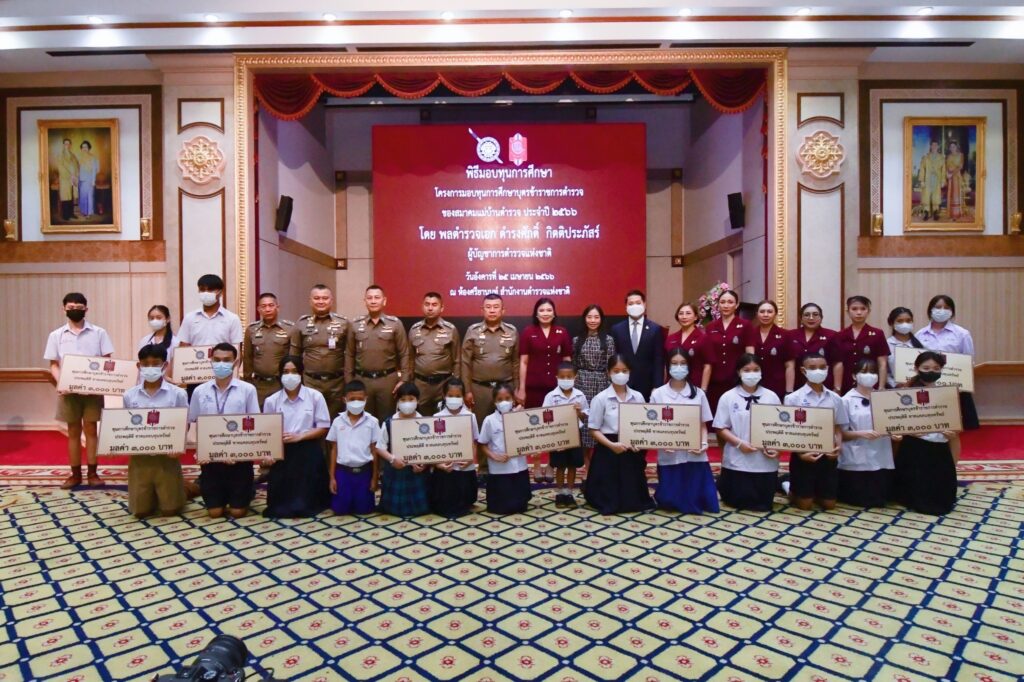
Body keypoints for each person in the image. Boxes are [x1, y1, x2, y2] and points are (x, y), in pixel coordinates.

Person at [44, 292, 114, 489]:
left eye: (79, 308)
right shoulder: (56, 335)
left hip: (93, 391)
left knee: (91, 429)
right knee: (73, 430)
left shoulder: (99, 333)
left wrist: (100, 381)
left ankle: (93, 473)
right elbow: (53, 364)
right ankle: (75, 474)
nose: (75, 311)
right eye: (71, 308)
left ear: (86, 309)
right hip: (68, 392)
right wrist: (61, 383)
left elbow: (107, 360)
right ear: (64, 309)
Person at [187, 343, 260, 519]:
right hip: (210, 458)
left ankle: (247, 491)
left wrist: (240, 452)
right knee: (215, 513)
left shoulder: (247, 390)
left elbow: (254, 424)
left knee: (238, 512)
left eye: (226, 360)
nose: (221, 364)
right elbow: (193, 424)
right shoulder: (199, 391)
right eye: (217, 360)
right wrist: (199, 449)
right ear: (211, 361)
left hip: (239, 458)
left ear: (235, 363)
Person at [122, 344, 189, 518]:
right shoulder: (129, 395)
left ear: (165, 365)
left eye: (156, 363)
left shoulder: (178, 394)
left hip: (167, 456)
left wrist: (179, 446)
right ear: (139, 366)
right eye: (145, 364)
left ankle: (187, 489)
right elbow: (124, 426)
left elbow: (184, 424)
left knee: (170, 511)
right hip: (140, 457)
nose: (150, 368)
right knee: (140, 512)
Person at [891, 352, 961, 515]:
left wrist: (952, 432)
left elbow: (956, 425)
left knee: (943, 497)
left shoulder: (948, 393)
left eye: (936, 368)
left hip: (940, 446)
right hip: (915, 445)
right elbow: (896, 422)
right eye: (926, 368)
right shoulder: (904, 392)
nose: (931, 371)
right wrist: (910, 431)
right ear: (917, 369)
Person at [261, 355, 331, 518]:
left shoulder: (315, 396)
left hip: (307, 448)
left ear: (301, 373)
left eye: (294, 371)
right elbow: (267, 432)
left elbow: (323, 427)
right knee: (278, 507)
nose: (290, 376)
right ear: (280, 375)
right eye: (286, 372)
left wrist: (300, 436)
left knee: (304, 506)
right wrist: (269, 453)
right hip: (282, 451)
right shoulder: (272, 401)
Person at [585, 355, 654, 515]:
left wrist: (639, 442)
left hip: (631, 448)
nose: (620, 374)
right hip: (608, 448)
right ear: (608, 373)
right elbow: (593, 429)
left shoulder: (638, 397)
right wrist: (611, 445)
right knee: (608, 498)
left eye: (624, 370)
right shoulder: (600, 399)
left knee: (634, 498)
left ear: (630, 372)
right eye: (616, 371)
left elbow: (643, 425)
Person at [712, 353, 782, 512]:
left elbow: (780, 428)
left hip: (764, 459)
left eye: (756, 370)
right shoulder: (728, 397)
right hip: (738, 457)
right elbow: (720, 427)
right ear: (738, 372)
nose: (752, 374)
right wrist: (739, 444)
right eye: (747, 370)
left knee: (763, 503)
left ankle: (783, 483)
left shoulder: (771, 397)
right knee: (735, 501)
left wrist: (776, 448)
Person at [650, 349, 716, 514]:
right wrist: (662, 443)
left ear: (689, 366)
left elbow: (703, 424)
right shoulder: (658, 394)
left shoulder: (699, 393)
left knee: (696, 499)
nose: (678, 367)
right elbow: (652, 426)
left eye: (683, 363)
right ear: (668, 366)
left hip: (694, 453)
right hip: (669, 452)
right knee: (669, 500)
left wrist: (703, 443)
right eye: (674, 364)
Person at [462, 293, 520, 469]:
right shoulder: (473, 331)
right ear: (482, 310)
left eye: (496, 307)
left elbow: (516, 362)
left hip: (506, 389)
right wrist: (467, 390)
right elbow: (465, 362)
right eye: (488, 307)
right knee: (482, 429)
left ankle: (509, 465)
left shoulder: (512, 331)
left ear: (503, 310)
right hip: (480, 388)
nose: (492, 310)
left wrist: (517, 389)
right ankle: (484, 468)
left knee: (507, 428)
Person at [784, 353, 848, 511]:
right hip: (803, 455)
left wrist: (838, 447)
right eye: (812, 368)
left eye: (822, 367)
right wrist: (800, 454)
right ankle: (786, 485)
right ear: (803, 370)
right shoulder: (793, 398)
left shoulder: (835, 398)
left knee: (829, 505)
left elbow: (838, 427)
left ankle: (816, 491)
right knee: (805, 505)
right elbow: (788, 431)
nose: (818, 371)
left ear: (827, 369)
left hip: (828, 455)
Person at [518, 297, 572, 483]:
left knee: (553, 427)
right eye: (541, 310)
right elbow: (523, 362)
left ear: (554, 313)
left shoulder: (562, 332)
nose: (545, 313)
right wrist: (521, 388)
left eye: (549, 310)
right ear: (536, 313)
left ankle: (550, 464)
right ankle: (536, 464)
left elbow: (567, 360)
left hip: (556, 387)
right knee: (535, 426)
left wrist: (568, 385)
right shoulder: (528, 332)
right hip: (533, 386)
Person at [346, 284, 410, 420]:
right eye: (369, 298)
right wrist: (349, 381)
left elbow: (404, 353)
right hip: (362, 380)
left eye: (377, 297)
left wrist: (404, 379)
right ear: (365, 301)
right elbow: (350, 354)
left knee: (386, 420)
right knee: (362, 420)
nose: (373, 301)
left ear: (384, 301)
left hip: (387, 381)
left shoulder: (395, 324)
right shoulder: (355, 324)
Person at [915, 294, 979, 430]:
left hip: (954, 386)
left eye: (946, 307)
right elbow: (916, 361)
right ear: (930, 310)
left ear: (952, 311)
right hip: (928, 384)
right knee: (929, 423)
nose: (942, 310)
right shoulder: (920, 334)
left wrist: (963, 382)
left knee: (956, 426)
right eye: (938, 307)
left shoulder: (962, 334)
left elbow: (968, 361)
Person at [839, 358, 894, 508]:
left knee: (880, 499)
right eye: (864, 372)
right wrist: (861, 434)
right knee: (858, 500)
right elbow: (840, 434)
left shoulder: (885, 399)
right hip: (857, 458)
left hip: (881, 456)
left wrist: (895, 433)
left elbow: (893, 424)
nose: (869, 375)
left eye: (873, 372)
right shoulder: (845, 401)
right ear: (854, 376)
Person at [177, 273, 244, 394]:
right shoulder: (190, 318)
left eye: (211, 290)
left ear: (220, 292)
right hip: (195, 378)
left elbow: (237, 351)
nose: (206, 293)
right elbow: (183, 347)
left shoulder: (232, 319)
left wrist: (230, 373)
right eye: (202, 290)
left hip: (223, 377)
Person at [293, 284, 350, 420]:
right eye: (317, 298)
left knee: (336, 421)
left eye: (325, 298)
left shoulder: (344, 323)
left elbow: (350, 354)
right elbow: (294, 355)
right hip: (310, 382)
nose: (321, 301)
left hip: (337, 383)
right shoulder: (301, 323)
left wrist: (349, 381)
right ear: (310, 301)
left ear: (331, 300)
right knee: (310, 420)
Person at [375, 383, 431, 516]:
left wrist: (424, 463)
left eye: (411, 399)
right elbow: (379, 447)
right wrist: (392, 459)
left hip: (417, 470)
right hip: (396, 469)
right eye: (403, 399)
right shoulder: (389, 422)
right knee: (394, 508)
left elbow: (430, 447)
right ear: (397, 402)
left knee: (421, 508)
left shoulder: (426, 423)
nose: (407, 403)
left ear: (418, 401)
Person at [572, 305, 617, 468]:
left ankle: (599, 463)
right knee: (584, 421)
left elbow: (611, 365)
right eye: (589, 317)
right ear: (584, 319)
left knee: (599, 419)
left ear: (601, 319)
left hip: (601, 383)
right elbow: (574, 364)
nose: (593, 320)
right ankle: (586, 463)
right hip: (582, 382)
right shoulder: (577, 340)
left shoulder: (608, 340)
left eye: (596, 317)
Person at [327, 380, 380, 515]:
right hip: (343, 472)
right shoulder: (337, 422)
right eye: (352, 399)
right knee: (340, 510)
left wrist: (374, 478)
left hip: (364, 472)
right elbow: (334, 449)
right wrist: (332, 477)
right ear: (344, 399)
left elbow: (375, 451)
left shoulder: (373, 422)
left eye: (360, 399)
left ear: (366, 399)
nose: (356, 402)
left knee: (364, 510)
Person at [478, 383, 532, 514]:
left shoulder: (521, 416)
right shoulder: (489, 420)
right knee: (500, 507)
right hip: (499, 469)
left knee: (520, 506)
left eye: (507, 398)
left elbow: (530, 437)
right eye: (500, 399)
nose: (504, 402)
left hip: (519, 467)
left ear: (513, 400)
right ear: (494, 402)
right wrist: (493, 456)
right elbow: (482, 444)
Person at [428, 378, 479, 517]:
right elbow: (433, 444)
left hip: (464, 466)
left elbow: (475, 441)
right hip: (445, 467)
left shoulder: (470, 416)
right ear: (444, 396)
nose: (454, 399)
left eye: (458, 396)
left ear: (463, 397)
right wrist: (439, 464)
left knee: (465, 500)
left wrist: (470, 459)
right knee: (443, 501)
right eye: (450, 396)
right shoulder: (437, 417)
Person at [542, 362, 589, 508]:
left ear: (575, 377)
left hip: (575, 434)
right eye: (562, 377)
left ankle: (569, 493)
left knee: (573, 464)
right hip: (558, 435)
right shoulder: (551, 396)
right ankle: (560, 493)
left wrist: (579, 412)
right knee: (560, 465)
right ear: (556, 377)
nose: (566, 379)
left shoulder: (580, 395)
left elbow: (584, 416)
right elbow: (545, 416)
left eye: (569, 377)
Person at [408, 291, 461, 416]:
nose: (430, 308)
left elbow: (457, 360)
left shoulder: (450, 329)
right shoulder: (414, 329)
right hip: (421, 384)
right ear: (422, 306)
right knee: (422, 421)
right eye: (427, 304)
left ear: (441, 308)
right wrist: (410, 383)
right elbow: (410, 359)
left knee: (443, 420)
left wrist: (455, 384)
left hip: (443, 384)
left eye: (434, 305)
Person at [701, 289, 751, 414]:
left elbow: (750, 355)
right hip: (714, 380)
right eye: (722, 302)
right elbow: (707, 356)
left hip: (737, 379)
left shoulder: (745, 325)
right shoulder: (711, 327)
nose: (726, 305)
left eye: (730, 302)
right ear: (718, 305)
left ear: (737, 305)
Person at [242, 292, 295, 408]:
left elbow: (294, 358)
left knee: (282, 415)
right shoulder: (251, 330)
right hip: (258, 385)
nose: (267, 309)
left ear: (278, 307)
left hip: (281, 384)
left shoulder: (290, 329)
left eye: (271, 305)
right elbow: (247, 358)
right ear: (258, 309)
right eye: (264, 306)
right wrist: (248, 383)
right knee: (259, 416)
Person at [609, 290, 663, 400]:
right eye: (631, 303)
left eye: (638, 303)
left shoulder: (655, 329)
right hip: (622, 382)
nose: (634, 306)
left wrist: (657, 386)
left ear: (644, 304)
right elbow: (614, 357)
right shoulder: (617, 329)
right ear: (626, 307)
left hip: (647, 384)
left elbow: (658, 360)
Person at [831, 295, 889, 395]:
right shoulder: (840, 335)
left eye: (863, 309)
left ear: (868, 311)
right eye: (854, 309)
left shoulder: (877, 334)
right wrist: (837, 388)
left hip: (871, 385)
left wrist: (881, 387)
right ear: (848, 311)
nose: (859, 312)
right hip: (847, 385)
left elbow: (882, 363)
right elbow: (838, 364)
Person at [744, 300, 790, 400]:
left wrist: (789, 391)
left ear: (775, 314)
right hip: (753, 384)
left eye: (769, 311)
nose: (765, 315)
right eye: (762, 311)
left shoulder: (785, 335)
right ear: (757, 314)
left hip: (777, 385)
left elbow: (790, 366)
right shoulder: (749, 333)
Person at [786, 302, 837, 393]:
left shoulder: (831, 335)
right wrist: (789, 390)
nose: (811, 318)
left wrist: (837, 388)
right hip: (797, 385)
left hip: (824, 384)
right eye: (806, 315)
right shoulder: (790, 335)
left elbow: (837, 363)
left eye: (815, 314)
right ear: (801, 318)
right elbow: (789, 364)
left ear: (821, 317)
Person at [664, 303, 705, 393]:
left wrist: (704, 389)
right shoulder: (671, 338)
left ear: (696, 317)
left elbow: (707, 365)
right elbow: (666, 364)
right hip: (672, 385)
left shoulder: (703, 338)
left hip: (695, 385)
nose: (684, 317)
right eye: (681, 313)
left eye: (688, 313)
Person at [137, 304, 179, 381]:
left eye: (158, 318)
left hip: (166, 383)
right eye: (151, 318)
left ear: (168, 319)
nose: (155, 320)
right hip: (146, 382)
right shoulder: (144, 340)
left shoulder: (176, 342)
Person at [885, 306, 924, 388]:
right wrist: (895, 384)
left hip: (919, 387)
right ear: (891, 323)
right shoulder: (886, 344)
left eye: (908, 320)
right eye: (900, 321)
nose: (905, 324)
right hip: (894, 389)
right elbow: (883, 370)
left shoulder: (920, 344)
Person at [917, 139, 946, 221]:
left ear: (938, 146)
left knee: (936, 196)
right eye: (933, 145)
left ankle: (935, 212)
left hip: (937, 179)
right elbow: (922, 169)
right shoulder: (926, 158)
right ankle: (926, 213)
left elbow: (943, 170)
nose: (934, 147)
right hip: (927, 179)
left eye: (936, 145)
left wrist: (943, 181)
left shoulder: (941, 158)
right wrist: (922, 180)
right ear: (930, 146)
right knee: (926, 196)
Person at [57, 138, 79, 221]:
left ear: (70, 145)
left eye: (69, 144)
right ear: (63, 145)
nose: (67, 145)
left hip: (73, 179)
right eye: (66, 144)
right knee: (66, 197)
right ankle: (66, 215)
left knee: (71, 197)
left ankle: (71, 213)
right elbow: (60, 167)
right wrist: (70, 175)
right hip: (65, 179)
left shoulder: (73, 155)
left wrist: (75, 175)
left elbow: (77, 165)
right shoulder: (60, 155)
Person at [77, 140, 99, 217]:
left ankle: (89, 213)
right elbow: (78, 169)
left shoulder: (92, 158)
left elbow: (95, 170)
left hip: (89, 180)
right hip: (81, 180)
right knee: (82, 196)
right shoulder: (80, 158)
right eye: (83, 147)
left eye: (86, 147)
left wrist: (93, 181)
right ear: (81, 148)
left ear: (89, 148)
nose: (84, 148)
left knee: (89, 196)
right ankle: (83, 211)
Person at [945, 140, 965, 221]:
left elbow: (960, 166)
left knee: (957, 194)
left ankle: (957, 213)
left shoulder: (961, 155)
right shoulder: (949, 156)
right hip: (950, 178)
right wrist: (948, 173)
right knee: (951, 194)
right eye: (951, 147)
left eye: (953, 146)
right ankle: (951, 213)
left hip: (957, 177)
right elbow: (947, 166)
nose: (952, 148)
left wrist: (953, 172)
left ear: (956, 147)